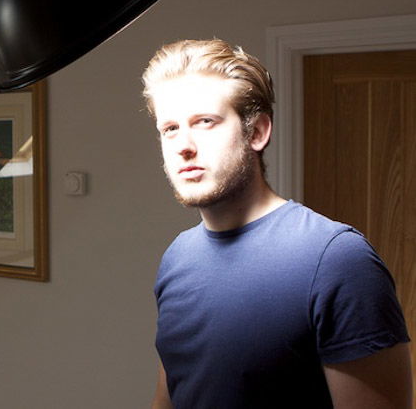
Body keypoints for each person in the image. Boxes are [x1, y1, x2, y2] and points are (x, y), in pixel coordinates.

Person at [142, 39, 412, 409]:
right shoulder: (178, 257)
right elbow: (170, 396)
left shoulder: (336, 259)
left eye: (205, 122)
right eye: (169, 129)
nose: (183, 145)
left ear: (257, 132)